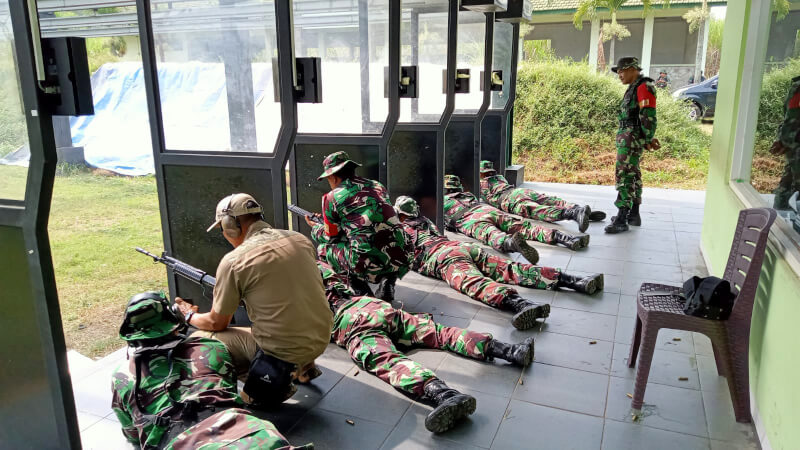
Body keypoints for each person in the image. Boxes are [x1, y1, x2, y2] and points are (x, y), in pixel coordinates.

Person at [318, 260, 535, 433]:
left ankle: (444, 395)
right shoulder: (318, 265)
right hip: (371, 305)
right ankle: (511, 351)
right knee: (440, 333)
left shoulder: (290, 293)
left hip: (348, 322)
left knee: (389, 361)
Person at [174, 193, 333, 407]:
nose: (224, 234)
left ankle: (271, 380)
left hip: (285, 350)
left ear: (231, 225)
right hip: (321, 338)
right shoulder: (298, 238)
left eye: (222, 228)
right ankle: (303, 368)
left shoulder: (234, 261)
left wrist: (189, 314)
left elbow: (216, 322)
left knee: (204, 336)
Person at [112, 292, 312, 450]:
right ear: (175, 320)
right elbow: (229, 393)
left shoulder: (122, 377)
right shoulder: (210, 347)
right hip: (253, 437)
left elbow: (132, 434)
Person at [395, 196, 603, 330]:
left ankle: (522, 305)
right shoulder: (426, 221)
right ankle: (577, 281)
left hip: (442, 257)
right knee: (514, 269)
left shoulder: (399, 231)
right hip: (462, 247)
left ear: (400, 214)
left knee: (475, 284)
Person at [308, 151, 412, 301]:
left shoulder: (331, 198)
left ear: (333, 176)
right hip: (400, 258)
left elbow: (331, 237)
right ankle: (388, 283)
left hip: (369, 262)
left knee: (324, 249)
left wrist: (315, 227)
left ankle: (362, 292)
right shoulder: (377, 186)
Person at [444, 174, 589, 252]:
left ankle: (510, 243)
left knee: (492, 234)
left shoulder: (442, 202)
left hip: (469, 219)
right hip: (487, 209)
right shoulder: (469, 194)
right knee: (526, 227)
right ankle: (566, 237)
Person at [605, 57, 660, 234]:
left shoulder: (644, 86)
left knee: (624, 175)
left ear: (633, 69)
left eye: (622, 71)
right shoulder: (634, 87)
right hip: (629, 137)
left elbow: (648, 115)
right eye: (618, 71)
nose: (619, 74)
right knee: (633, 173)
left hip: (631, 138)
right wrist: (646, 138)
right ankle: (633, 215)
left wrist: (647, 137)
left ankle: (622, 218)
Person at [479, 160, 605, 233]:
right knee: (550, 200)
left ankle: (572, 214)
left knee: (538, 210)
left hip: (509, 199)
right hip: (520, 191)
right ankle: (577, 208)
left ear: (481, 174)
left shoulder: (482, 183)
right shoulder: (500, 177)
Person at [770, 75, 800, 210]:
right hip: (794, 148)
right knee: (787, 191)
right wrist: (782, 140)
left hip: (794, 147)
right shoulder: (797, 87)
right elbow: (790, 118)